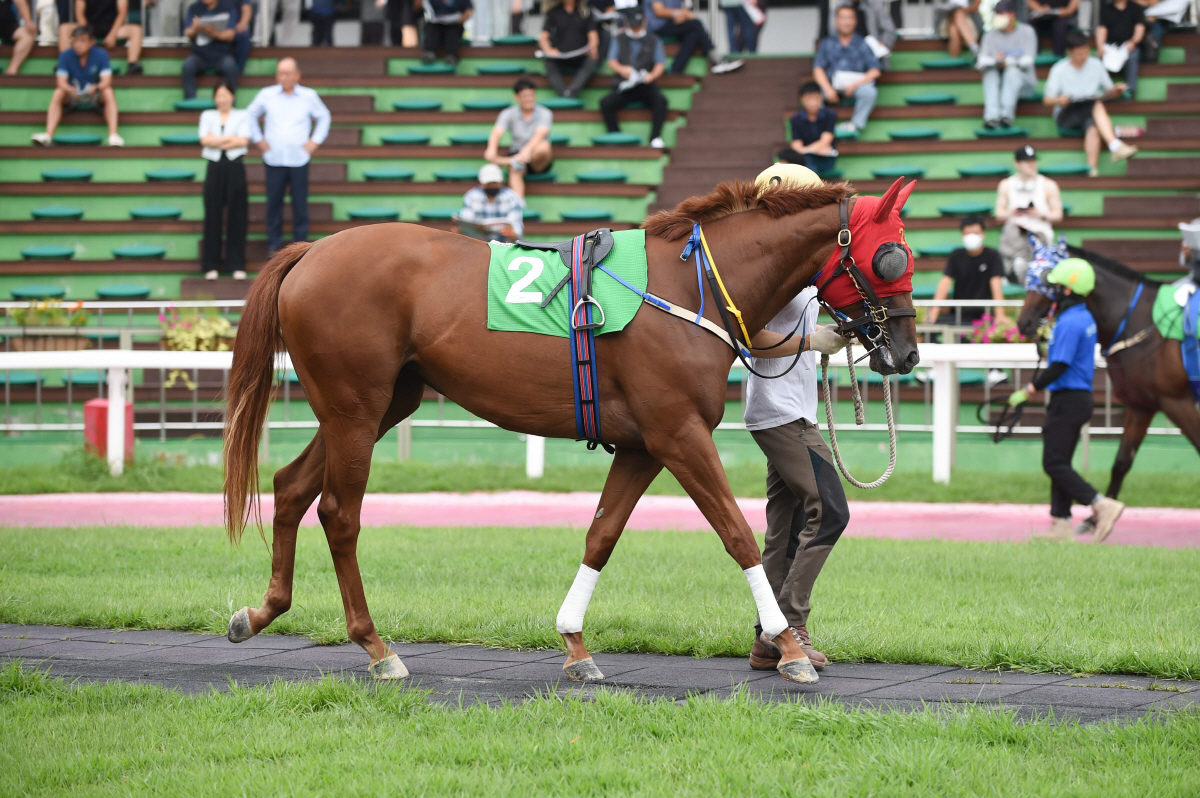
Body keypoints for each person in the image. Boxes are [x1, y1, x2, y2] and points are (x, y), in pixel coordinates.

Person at [740, 164, 852, 675]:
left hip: (789, 408)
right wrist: (812, 340)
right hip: (780, 412)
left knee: (784, 529)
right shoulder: (772, 270)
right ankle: (791, 623)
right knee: (830, 510)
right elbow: (750, 335)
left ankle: (767, 639)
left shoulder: (795, 269)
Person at [1006, 258, 1125, 541]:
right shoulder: (1080, 317)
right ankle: (1060, 524)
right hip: (1075, 398)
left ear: (1068, 290)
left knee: (1053, 464)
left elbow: (1059, 366)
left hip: (1068, 399)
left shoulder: (1071, 322)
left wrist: (1029, 390)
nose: (1053, 291)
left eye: (1057, 286)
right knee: (1060, 461)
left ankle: (1100, 504)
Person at [246, 57, 331, 255]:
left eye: (287, 73)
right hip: (273, 158)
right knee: (273, 202)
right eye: (280, 73)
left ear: (297, 75)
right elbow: (250, 114)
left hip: (299, 159)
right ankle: (273, 244)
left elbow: (324, 116)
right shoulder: (267, 94)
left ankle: (300, 247)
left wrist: (314, 142)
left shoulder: (308, 96)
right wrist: (258, 139)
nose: (283, 77)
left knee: (299, 203)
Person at [1043, 29, 1137, 177]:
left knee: (1093, 127)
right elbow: (1047, 100)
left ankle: (1091, 168)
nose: (1083, 56)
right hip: (1067, 112)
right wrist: (1060, 100)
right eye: (1079, 53)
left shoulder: (1095, 65)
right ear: (1070, 52)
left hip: (1089, 109)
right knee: (1095, 105)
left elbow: (1108, 90)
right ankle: (1114, 144)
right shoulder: (1059, 69)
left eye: (1086, 52)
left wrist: (1116, 90)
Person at [31, 26, 124, 147]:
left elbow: (106, 81)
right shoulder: (65, 55)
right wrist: (70, 89)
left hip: (94, 94)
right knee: (59, 92)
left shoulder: (101, 55)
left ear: (91, 42)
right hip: (72, 94)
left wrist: (95, 88)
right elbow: (61, 82)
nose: (78, 44)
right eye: (75, 40)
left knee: (108, 91)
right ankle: (48, 135)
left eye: (82, 40)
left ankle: (113, 135)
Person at [199, 80, 250, 281]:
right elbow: (204, 140)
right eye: (219, 95)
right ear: (214, 98)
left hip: (235, 166)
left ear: (232, 96)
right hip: (214, 167)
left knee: (237, 214)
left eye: (226, 95)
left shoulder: (242, 115)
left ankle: (236, 264)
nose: (222, 99)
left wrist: (216, 140)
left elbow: (244, 140)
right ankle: (210, 265)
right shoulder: (207, 115)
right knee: (212, 213)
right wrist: (230, 139)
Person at [599, 8, 668, 149]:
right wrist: (623, 70)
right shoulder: (619, 38)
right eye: (632, 25)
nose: (635, 29)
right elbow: (612, 61)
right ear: (625, 23)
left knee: (661, 101)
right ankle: (616, 137)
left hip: (646, 86)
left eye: (638, 25)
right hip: (625, 85)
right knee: (605, 103)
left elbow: (660, 64)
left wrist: (652, 76)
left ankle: (655, 138)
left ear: (645, 22)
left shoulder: (654, 40)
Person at [995, 144, 1063, 282]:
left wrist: (1041, 214)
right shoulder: (1006, 185)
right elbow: (998, 213)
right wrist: (1011, 212)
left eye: (1033, 161)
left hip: (1039, 234)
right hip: (1014, 236)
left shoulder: (1048, 185)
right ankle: (1015, 268)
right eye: (1027, 162)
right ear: (1017, 164)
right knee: (1011, 230)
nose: (1031, 165)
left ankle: (1022, 268)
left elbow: (1058, 215)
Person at [813, 4, 882, 137]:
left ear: (855, 21)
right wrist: (827, 88)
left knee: (869, 92)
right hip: (832, 85)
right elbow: (818, 69)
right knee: (814, 95)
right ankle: (822, 129)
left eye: (850, 18)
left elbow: (875, 70)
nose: (846, 22)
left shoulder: (863, 43)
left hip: (856, 85)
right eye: (843, 18)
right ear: (836, 20)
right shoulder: (827, 43)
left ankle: (854, 125)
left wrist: (855, 85)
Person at [926, 216, 1007, 327]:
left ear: (983, 234)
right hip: (959, 315)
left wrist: (1000, 315)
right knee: (932, 331)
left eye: (976, 233)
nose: (972, 237)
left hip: (984, 316)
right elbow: (945, 283)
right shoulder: (956, 255)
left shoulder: (992, 256)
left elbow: (996, 285)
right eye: (968, 233)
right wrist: (933, 313)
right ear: (962, 235)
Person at [485, 79, 554, 198]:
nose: (529, 99)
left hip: (536, 158)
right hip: (518, 155)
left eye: (531, 95)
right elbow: (497, 132)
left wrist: (526, 152)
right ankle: (518, 204)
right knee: (515, 167)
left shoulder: (545, 113)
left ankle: (510, 160)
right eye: (525, 96)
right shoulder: (508, 113)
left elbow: (539, 135)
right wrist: (491, 149)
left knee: (544, 147)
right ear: (517, 97)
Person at [976, 0, 1037, 129]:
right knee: (989, 72)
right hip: (998, 84)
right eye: (997, 13)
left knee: (1012, 72)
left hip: (1023, 85)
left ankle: (1006, 116)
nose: (998, 17)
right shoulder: (989, 36)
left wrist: (1008, 61)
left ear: (1012, 15)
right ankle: (991, 117)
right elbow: (981, 62)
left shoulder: (1027, 31)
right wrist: (996, 61)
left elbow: (1028, 61)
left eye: (1001, 13)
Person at [645, 0, 742, 74]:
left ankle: (676, 69)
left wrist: (682, 14)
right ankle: (716, 57)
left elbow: (683, 9)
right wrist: (680, 14)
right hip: (657, 27)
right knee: (696, 24)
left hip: (672, 23)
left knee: (693, 34)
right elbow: (659, 11)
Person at [539, 0, 599, 99]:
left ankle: (572, 92)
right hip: (560, 56)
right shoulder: (553, 12)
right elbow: (543, 38)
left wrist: (593, 47)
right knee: (548, 62)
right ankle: (563, 94)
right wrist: (549, 50)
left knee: (593, 59)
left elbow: (593, 36)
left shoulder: (586, 12)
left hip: (581, 55)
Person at [61, 0, 142, 74]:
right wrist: (89, 36)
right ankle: (64, 65)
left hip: (112, 29)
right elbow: (79, 14)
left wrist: (112, 35)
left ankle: (132, 65)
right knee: (64, 28)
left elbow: (122, 14)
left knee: (136, 30)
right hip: (88, 28)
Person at [181, 0, 240, 100]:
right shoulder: (194, 8)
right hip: (200, 55)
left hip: (221, 55)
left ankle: (230, 103)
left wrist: (212, 32)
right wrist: (195, 28)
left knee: (230, 66)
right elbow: (188, 33)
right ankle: (190, 102)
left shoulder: (228, 8)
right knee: (187, 66)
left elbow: (230, 35)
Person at [776, 81, 837, 175]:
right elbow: (796, 145)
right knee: (786, 155)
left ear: (821, 97)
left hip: (825, 159)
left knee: (805, 161)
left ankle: (811, 186)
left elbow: (826, 140)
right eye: (809, 98)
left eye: (815, 98)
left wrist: (805, 150)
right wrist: (808, 151)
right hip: (805, 157)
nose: (813, 102)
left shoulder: (830, 115)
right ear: (802, 99)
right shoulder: (796, 119)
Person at [457, 163, 525, 241]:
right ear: (481, 184)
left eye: (494, 183)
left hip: (505, 245)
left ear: (501, 182)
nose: (492, 186)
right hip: (479, 245)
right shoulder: (471, 197)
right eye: (489, 184)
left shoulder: (511, 197)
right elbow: (467, 222)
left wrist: (513, 234)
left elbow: (517, 227)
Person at [1095, 0, 1145, 96]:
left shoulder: (1136, 8)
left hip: (1128, 45)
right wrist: (1100, 46)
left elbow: (1140, 28)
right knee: (1099, 58)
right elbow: (1102, 29)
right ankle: (1105, 90)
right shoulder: (1106, 8)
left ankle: (1130, 89)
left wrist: (1133, 42)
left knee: (1133, 56)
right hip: (1111, 45)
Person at [829, 0, 896, 54]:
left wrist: (882, 44)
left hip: (872, 51)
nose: (847, 22)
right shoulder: (840, 4)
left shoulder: (875, 3)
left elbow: (889, 30)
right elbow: (833, 30)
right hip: (846, 52)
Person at [422, 0, 471, 67]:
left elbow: (468, 11)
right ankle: (429, 54)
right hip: (437, 25)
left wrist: (459, 21)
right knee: (432, 28)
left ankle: (451, 56)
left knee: (452, 32)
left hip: (454, 25)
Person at [0, 0, 37, 75]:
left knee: (27, 35)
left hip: (7, 25)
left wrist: (28, 21)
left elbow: (20, 1)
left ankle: (11, 72)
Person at [234, 0, 254, 72]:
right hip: (215, 29)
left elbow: (246, 9)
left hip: (235, 29)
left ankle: (239, 69)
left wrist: (242, 24)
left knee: (244, 35)